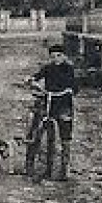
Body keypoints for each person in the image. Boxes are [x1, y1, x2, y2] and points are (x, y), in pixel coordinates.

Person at [25, 44, 78, 180]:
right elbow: (37, 75)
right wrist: (31, 79)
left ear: (64, 56)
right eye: (53, 56)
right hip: (49, 102)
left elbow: (74, 86)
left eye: (59, 56)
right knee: (38, 128)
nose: (56, 59)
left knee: (65, 135)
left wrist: (70, 90)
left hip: (64, 103)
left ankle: (64, 170)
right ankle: (33, 163)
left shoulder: (69, 69)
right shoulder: (48, 68)